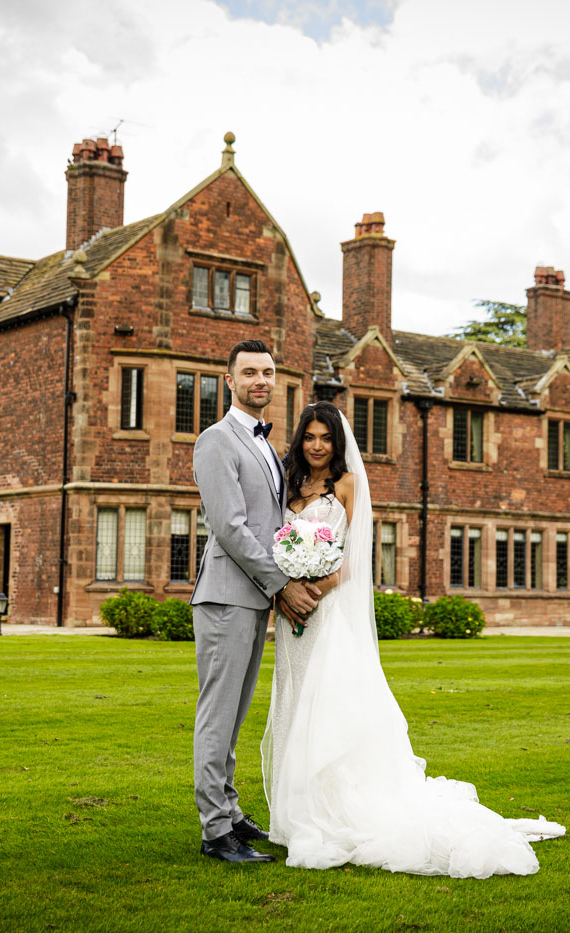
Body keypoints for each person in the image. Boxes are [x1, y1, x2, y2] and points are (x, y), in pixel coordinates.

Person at [260, 401, 566, 878]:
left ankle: (333, 812)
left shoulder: (349, 484)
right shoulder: (289, 483)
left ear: (338, 445)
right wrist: (287, 591)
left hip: (328, 610)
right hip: (293, 613)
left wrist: (311, 590)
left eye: (325, 438)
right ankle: (296, 813)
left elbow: (355, 558)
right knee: (295, 702)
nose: (316, 446)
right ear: (299, 440)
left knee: (329, 706)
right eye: (309, 437)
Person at [190, 339, 324, 864]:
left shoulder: (267, 446)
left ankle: (229, 809)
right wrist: (281, 583)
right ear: (229, 380)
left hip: (252, 599)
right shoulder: (215, 440)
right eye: (249, 373)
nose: (260, 381)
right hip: (226, 597)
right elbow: (229, 527)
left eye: (267, 372)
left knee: (236, 714)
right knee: (217, 715)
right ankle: (215, 830)